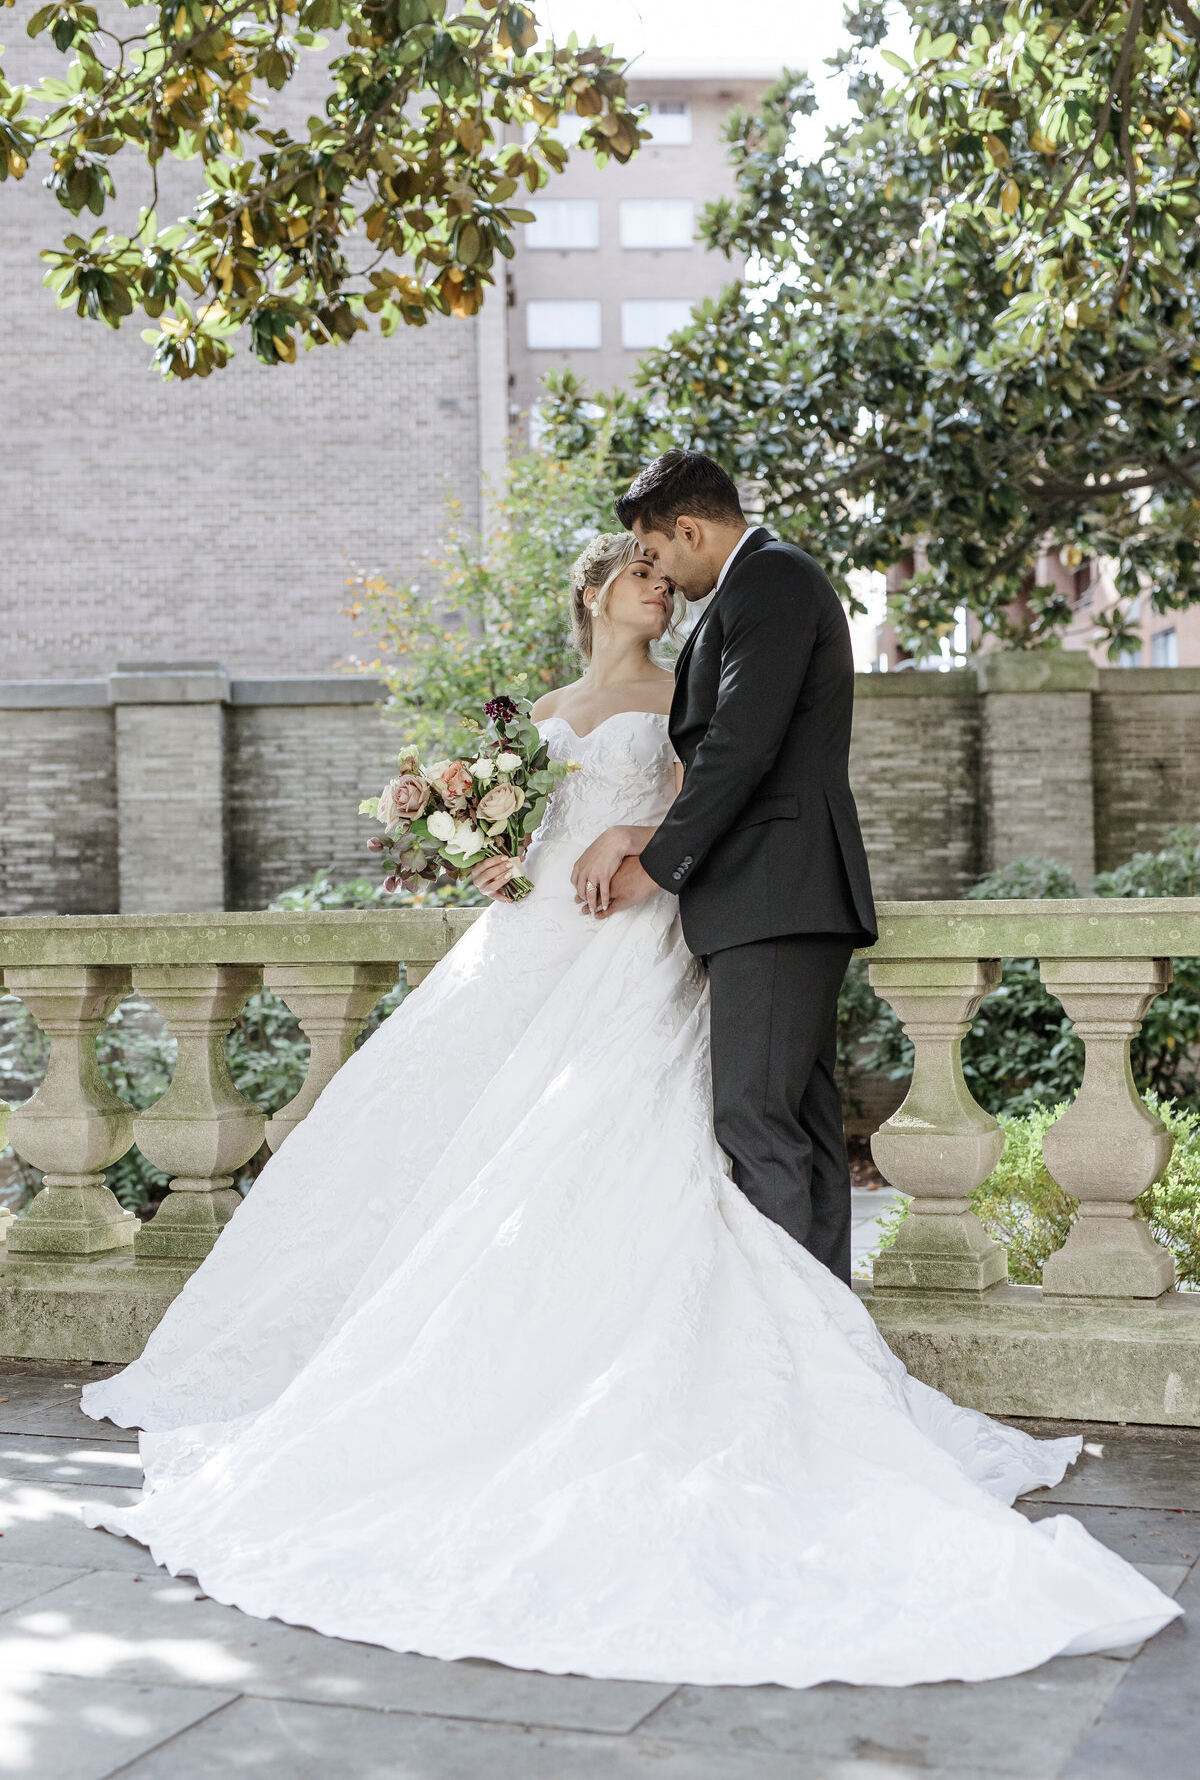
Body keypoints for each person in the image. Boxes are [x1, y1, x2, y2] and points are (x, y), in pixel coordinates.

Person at [79, 522, 1179, 1690]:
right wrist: (485, 845)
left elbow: (714, 797)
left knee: (608, 1136)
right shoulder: (547, 702)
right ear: (595, 590)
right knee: (467, 1145)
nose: (659, 587)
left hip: (637, 932)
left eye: (666, 571)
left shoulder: (688, 684)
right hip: (530, 938)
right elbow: (531, 826)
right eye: (640, 574)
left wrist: (646, 841)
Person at [571, 450, 876, 1284]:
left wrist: (657, 866)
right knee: (803, 1128)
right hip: (776, 894)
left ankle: (789, 1339)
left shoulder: (770, 582)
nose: (659, 572)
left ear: (691, 529)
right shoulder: (758, 586)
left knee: (752, 1120)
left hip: (776, 893)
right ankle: (829, 1340)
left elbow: (739, 746)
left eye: (658, 552)